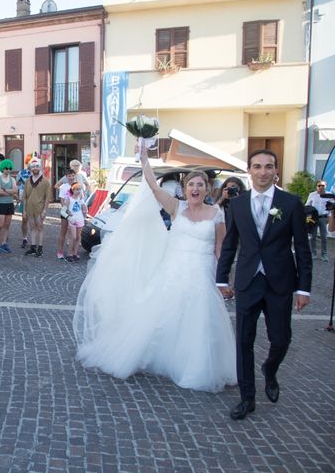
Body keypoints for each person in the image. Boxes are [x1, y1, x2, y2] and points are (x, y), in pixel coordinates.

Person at [74, 143, 237, 393]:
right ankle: (159, 355)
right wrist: (144, 159)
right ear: (184, 189)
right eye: (191, 184)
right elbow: (152, 185)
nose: (195, 188)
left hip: (202, 273)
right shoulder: (176, 207)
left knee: (200, 319)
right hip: (173, 270)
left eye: (200, 185)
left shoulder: (216, 214)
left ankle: (195, 365)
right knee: (163, 315)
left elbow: (220, 249)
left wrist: (224, 280)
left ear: (207, 189)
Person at [217, 149, 311, 420]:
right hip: (247, 281)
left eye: (268, 166)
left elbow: (303, 250)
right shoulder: (237, 204)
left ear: (276, 170)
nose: (262, 171)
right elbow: (230, 245)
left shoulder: (291, 203)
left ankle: (270, 369)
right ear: (250, 171)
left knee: (281, 339)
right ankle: (247, 398)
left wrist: (303, 288)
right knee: (244, 341)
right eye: (257, 166)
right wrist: (222, 278)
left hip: (280, 282)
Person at [23, 158, 52, 257]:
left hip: (40, 209)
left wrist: (45, 210)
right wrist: (24, 211)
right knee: (32, 228)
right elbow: (25, 197)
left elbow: (47, 197)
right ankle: (33, 247)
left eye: (37, 166)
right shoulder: (27, 181)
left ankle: (40, 248)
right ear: (31, 168)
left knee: (40, 228)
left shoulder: (45, 182)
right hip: (30, 209)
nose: (35, 168)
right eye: (33, 166)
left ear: (40, 167)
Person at [0, 159, 18, 254]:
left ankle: (4, 243)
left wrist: (5, 190)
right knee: (0, 225)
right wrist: (10, 191)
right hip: (0, 204)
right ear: (2, 168)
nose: (8, 170)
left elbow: (15, 191)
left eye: (10, 168)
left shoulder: (12, 179)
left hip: (9, 204)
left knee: (7, 225)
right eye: (6, 168)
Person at [305, 180, 329, 262]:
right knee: (313, 236)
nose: (321, 187)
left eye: (323, 185)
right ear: (316, 186)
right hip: (313, 218)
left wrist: (329, 217)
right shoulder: (312, 195)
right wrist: (308, 216)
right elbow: (307, 205)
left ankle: (324, 254)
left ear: (326, 186)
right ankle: (313, 253)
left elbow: (331, 207)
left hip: (323, 218)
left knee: (324, 237)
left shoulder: (329, 195)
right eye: (319, 185)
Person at [56, 169, 77, 260]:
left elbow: (79, 199)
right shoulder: (63, 187)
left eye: (72, 175)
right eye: (69, 176)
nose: (71, 177)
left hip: (75, 213)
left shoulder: (77, 186)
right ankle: (60, 251)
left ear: (75, 176)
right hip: (65, 213)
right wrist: (66, 211)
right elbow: (61, 200)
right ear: (66, 177)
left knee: (74, 234)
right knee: (63, 232)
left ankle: (72, 252)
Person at [65, 183, 87, 263]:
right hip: (72, 220)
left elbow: (84, 208)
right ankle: (69, 254)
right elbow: (64, 211)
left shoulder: (80, 199)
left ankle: (75, 253)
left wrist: (85, 211)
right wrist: (69, 215)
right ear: (73, 190)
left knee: (78, 237)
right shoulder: (69, 199)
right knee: (73, 237)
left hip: (80, 219)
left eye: (80, 189)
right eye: (77, 189)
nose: (78, 191)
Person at [16, 158, 32, 249]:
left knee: (35, 220)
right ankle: (24, 238)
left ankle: (34, 240)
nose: (32, 165)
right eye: (31, 162)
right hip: (24, 198)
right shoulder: (21, 172)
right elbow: (17, 183)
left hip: (35, 199)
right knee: (24, 218)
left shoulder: (38, 173)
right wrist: (18, 194)